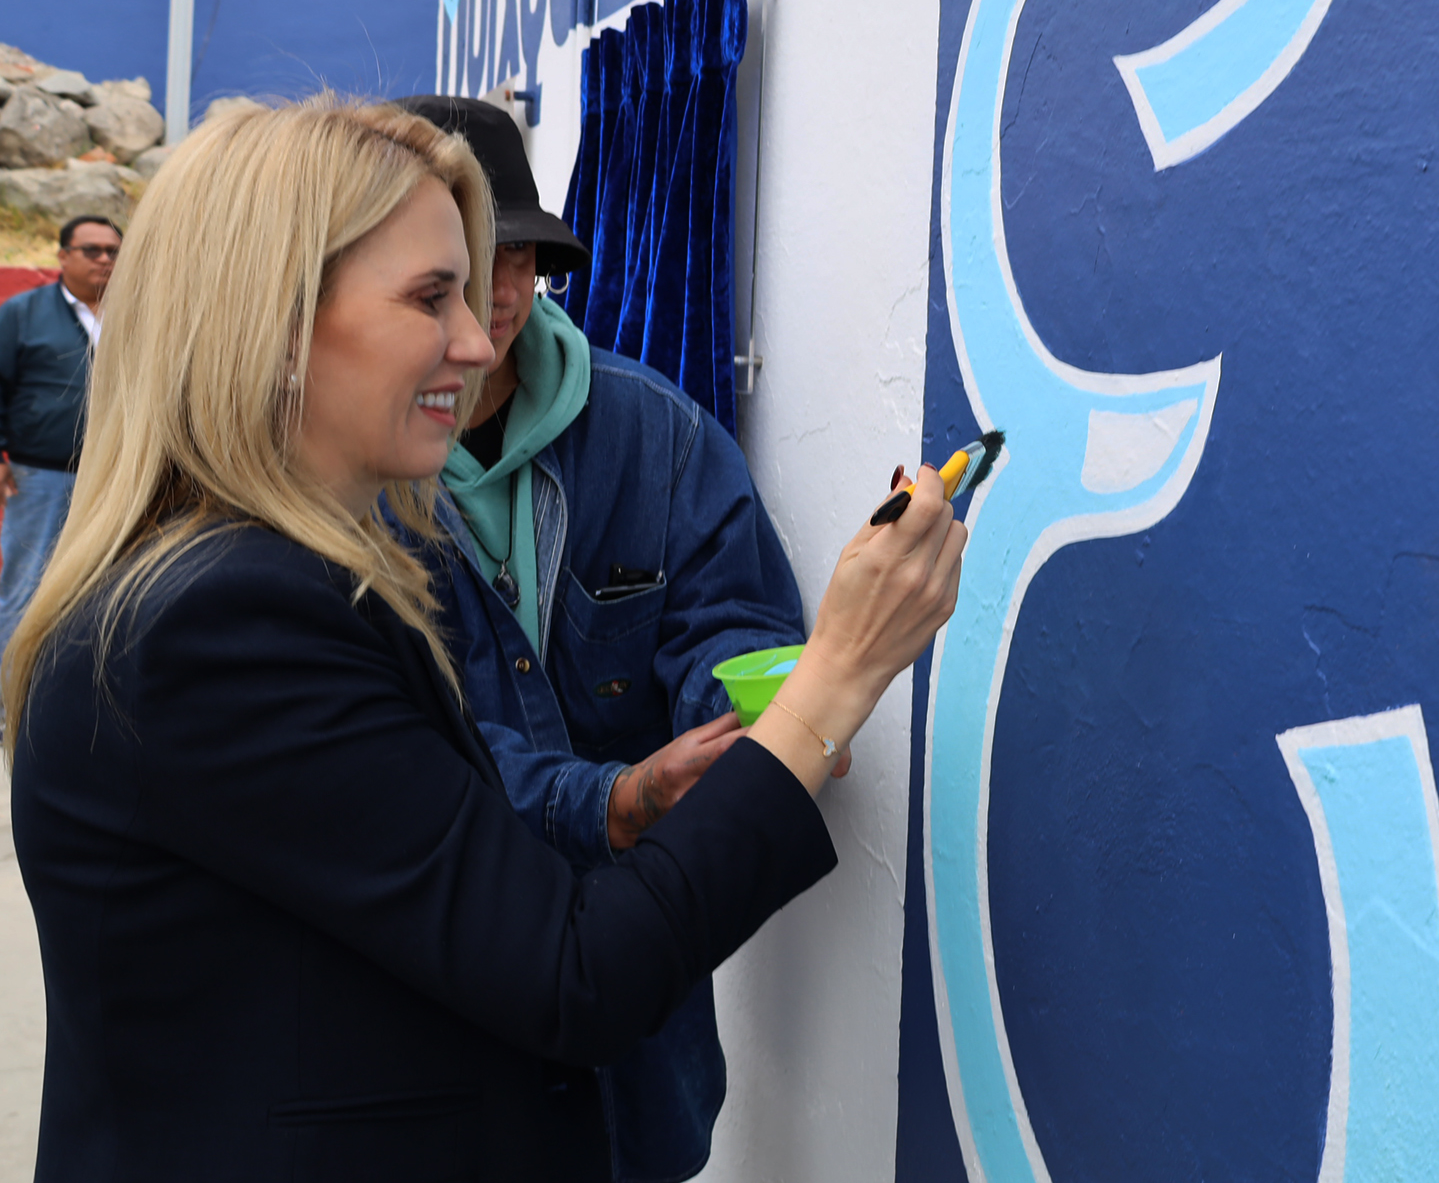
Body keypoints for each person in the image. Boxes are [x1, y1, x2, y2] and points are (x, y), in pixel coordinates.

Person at [3, 96, 966, 1182]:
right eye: (432, 295)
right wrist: (837, 675)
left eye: (485, 282)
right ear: (267, 322)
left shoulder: (234, 581)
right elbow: (575, 976)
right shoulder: (224, 624)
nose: (477, 334)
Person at [391, 93, 809, 1182]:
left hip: (643, 1031)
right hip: (432, 999)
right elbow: (402, 751)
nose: (497, 299)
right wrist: (611, 801)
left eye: (518, 256)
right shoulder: (334, 484)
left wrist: (735, 726)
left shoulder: (658, 430)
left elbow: (737, 618)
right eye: (460, 265)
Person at [0, 214, 122, 653]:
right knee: (26, 588)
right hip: (41, 477)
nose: (105, 260)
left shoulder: (135, 315)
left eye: (113, 251)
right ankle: (8, 707)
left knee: (105, 586)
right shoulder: (22, 313)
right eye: (93, 250)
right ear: (63, 256)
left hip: (117, 476)